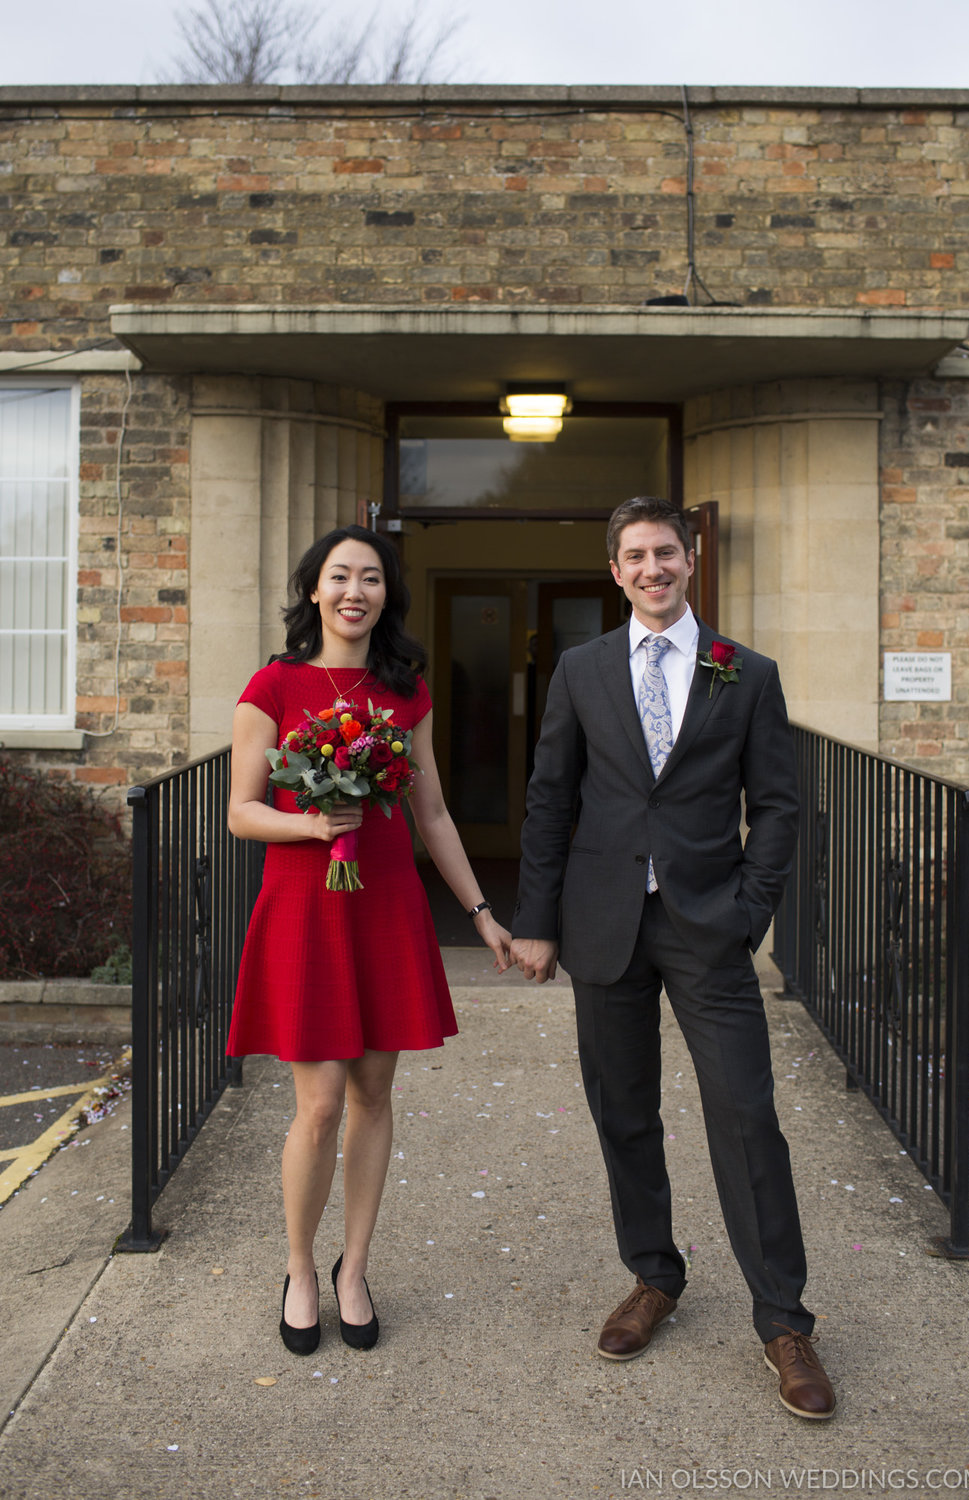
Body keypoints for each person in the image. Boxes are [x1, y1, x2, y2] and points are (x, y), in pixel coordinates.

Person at [509, 496, 835, 1420]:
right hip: (601, 921)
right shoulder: (580, 669)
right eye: (634, 557)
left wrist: (748, 912)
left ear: (690, 560)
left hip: (708, 925)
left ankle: (784, 1320)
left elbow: (777, 804)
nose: (652, 569)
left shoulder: (746, 673)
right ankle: (654, 1276)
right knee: (624, 1111)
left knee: (745, 1112)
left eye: (666, 553)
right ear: (615, 572)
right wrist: (537, 921)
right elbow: (549, 801)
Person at [227, 524, 511, 1356]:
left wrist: (483, 913)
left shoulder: (405, 689)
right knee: (317, 1108)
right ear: (314, 589)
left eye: (373, 578)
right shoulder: (272, 685)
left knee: (374, 1097)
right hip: (307, 909)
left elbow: (431, 813)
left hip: (384, 904)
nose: (357, 591)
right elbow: (243, 811)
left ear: (388, 594)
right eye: (341, 576)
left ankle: (355, 1268)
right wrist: (312, 823)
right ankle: (301, 1269)